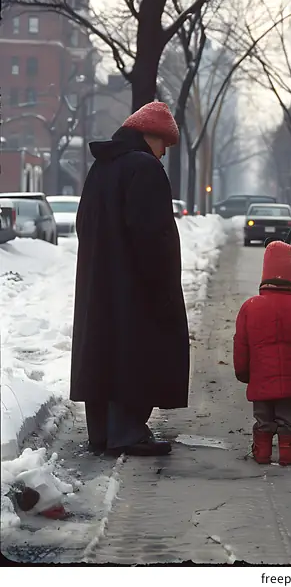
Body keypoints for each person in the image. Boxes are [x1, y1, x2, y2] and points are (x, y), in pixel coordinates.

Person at [70, 101, 190, 457]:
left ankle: (103, 434)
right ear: (150, 135)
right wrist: (162, 286)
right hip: (135, 286)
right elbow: (152, 235)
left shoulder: (102, 167)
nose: (164, 153)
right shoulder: (145, 168)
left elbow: (82, 223)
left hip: (99, 282)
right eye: (164, 144)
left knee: (102, 352)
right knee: (134, 351)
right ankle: (127, 432)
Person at [233, 241, 291, 465]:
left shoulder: (250, 307)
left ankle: (262, 451)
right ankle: (288, 451)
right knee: (288, 417)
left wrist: (243, 372)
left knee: (263, 418)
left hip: (260, 379)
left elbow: (241, 344)